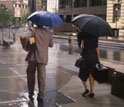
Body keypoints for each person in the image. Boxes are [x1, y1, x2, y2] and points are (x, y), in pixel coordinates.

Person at [24, 25, 53, 103]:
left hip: (33, 57)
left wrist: (27, 46)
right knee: (42, 77)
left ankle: (31, 92)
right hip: (43, 57)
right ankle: (41, 95)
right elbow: (51, 44)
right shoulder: (48, 33)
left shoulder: (32, 30)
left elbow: (26, 38)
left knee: (30, 74)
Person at [77, 31, 100, 98]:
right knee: (91, 74)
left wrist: (82, 43)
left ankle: (86, 89)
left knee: (81, 74)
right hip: (94, 56)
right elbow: (97, 47)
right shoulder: (95, 34)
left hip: (86, 56)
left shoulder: (80, 34)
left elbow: (81, 47)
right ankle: (91, 91)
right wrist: (98, 59)